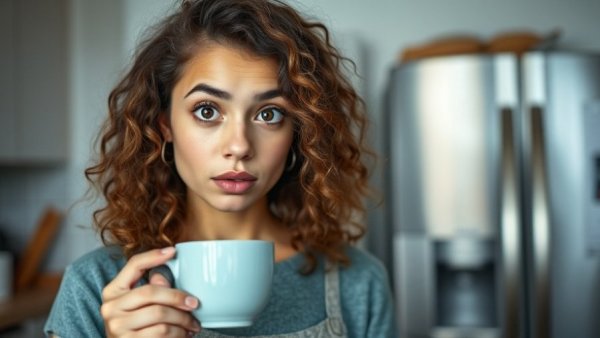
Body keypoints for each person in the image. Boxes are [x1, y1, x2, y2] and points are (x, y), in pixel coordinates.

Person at [44, 0, 396, 337]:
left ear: (299, 132)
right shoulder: (96, 285)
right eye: (207, 111)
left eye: (269, 114)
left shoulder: (358, 282)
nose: (239, 146)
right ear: (165, 125)